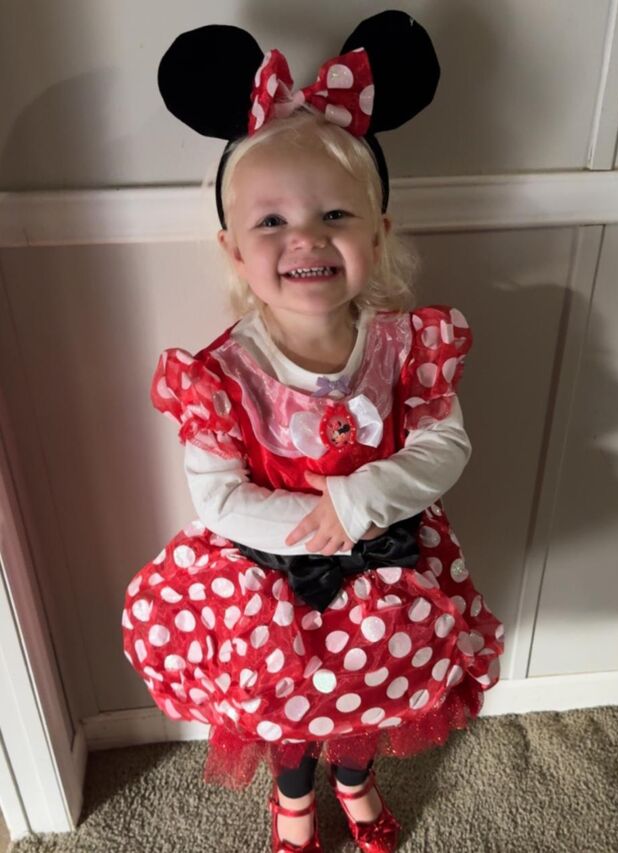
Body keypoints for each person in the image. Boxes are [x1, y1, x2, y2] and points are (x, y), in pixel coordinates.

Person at [122, 11, 504, 852]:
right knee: (287, 709)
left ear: (379, 233)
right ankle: (292, 797)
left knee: (369, 695)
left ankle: (356, 779)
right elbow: (219, 496)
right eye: (271, 222)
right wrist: (314, 526)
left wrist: (359, 502)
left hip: (385, 570)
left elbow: (444, 444)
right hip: (270, 585)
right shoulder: (222, 374)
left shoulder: (409, 347)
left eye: (335, 213)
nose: (305, 236)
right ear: (233, 248)